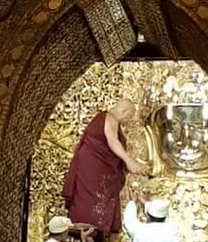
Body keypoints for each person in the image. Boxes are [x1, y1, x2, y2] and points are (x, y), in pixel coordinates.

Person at [63, 99, 146, 240]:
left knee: (91, 200)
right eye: (129, 117)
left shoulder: (107, 119)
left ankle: (90, 230)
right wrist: (128, 161)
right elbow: (112, 140)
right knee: (92, 200)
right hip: (94, 168)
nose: (128, 121)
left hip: (94, 167)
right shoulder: (109, 117)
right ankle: (90, 230)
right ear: (123, 111)